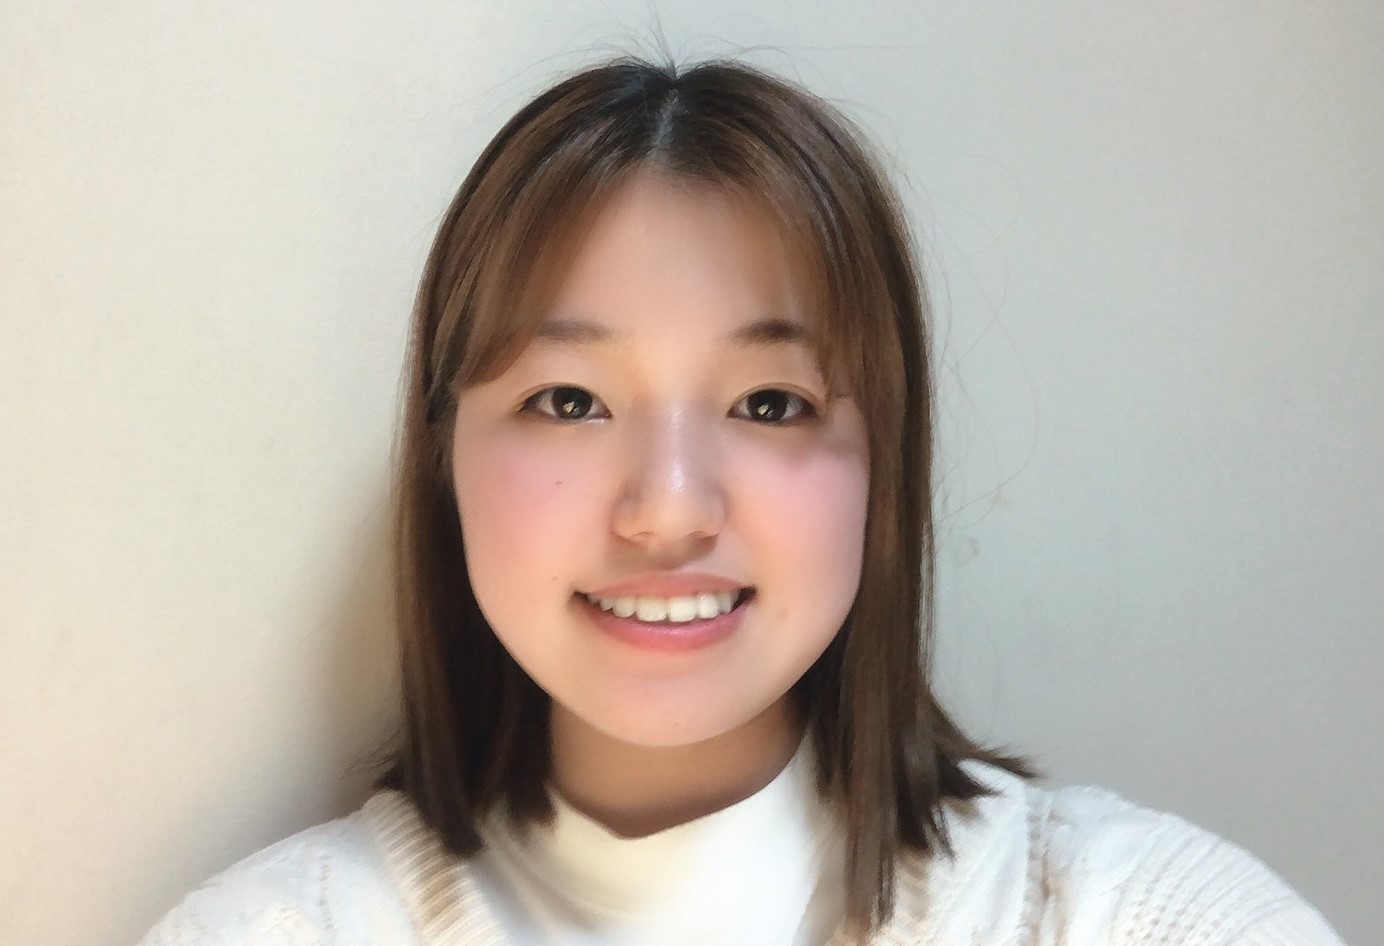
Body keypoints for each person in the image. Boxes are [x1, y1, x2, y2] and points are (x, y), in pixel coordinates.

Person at [135, 52, 1347, 945]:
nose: (667, 511)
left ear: (883, 468)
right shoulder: (270, 929)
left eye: (770, 403)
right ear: (444, 453)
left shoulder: (1131, 914)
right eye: (568, 399)